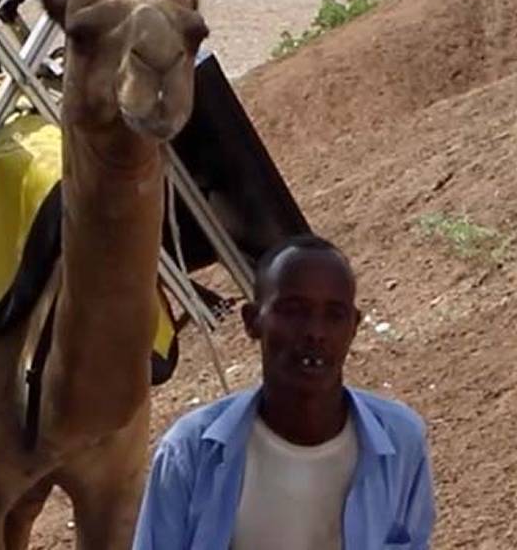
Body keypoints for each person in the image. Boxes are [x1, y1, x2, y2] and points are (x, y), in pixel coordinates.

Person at [133, 233, 435, 549]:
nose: (315, 332)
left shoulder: (400, 443)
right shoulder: (191, 454)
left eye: (334, 315)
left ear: (354, 326)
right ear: (253, 322)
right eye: (293, 310)